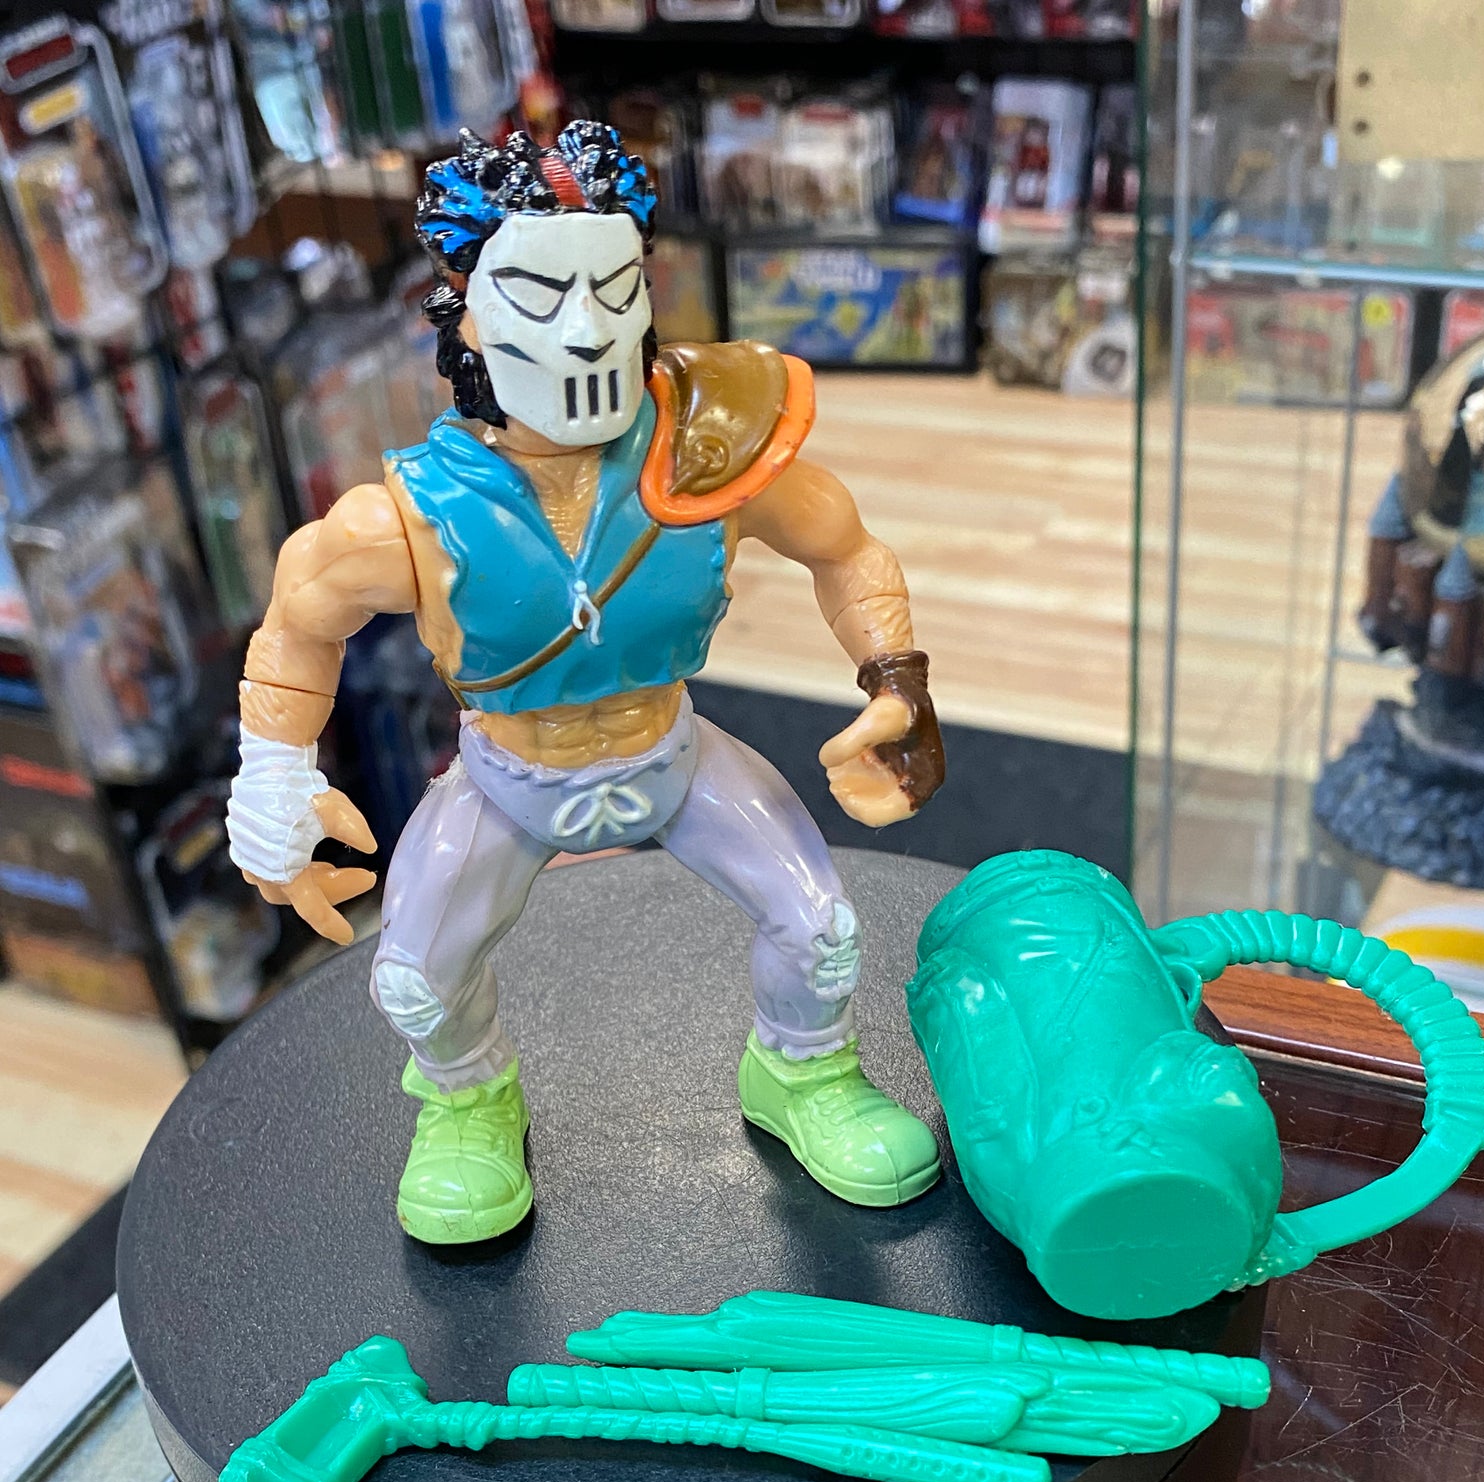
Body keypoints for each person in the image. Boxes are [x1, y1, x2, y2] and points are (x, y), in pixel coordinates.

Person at [225, 120, 946, 1244]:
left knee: (823, 932)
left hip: (672, 753)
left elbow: (847, 549)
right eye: (541, 294)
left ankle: (801, 1073)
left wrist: (895, 682)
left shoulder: (708, 455)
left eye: (615, 291)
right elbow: (297, 627)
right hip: (509, 777)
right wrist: (272, 777)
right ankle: (470, 1102)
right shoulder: (402, 518)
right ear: (467, 311)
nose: (586, 330)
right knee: (413, 979)